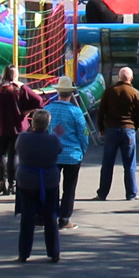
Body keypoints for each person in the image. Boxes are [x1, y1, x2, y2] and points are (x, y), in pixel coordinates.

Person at [0, 66, 43, 196]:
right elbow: (39, 101)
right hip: (17, 127)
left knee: (0, 155)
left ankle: (1, 183)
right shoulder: (18, 89)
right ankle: (12, 183)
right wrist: (26, 111)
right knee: (14, 155)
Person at [14, 111, 63, 262]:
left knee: (27, 218)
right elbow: (59, 150)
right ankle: (54, 252)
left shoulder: (23, 138)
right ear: (47, 124)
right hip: (49, 180)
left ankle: (24, 253)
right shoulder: (53, 139)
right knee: (50, 217)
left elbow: (17, 150)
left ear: (33, 122)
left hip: (27, 180)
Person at [43, 80, 90, 230]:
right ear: (71, 93)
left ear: (58, 92)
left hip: (52, 154)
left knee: (52, 187)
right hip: (72, 154)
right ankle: (64, 218)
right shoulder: (76, 112)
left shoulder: (47, 109)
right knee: (69, 189)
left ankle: (49, 215)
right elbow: (83, 133)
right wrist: (83, 149)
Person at [94, 66, 139, 201]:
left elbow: (101, 112)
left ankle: (102, 192)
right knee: (129, 163)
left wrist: (101, 128)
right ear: (131, 79)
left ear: (118, 77)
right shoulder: (135, 93)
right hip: (128, 130)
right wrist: (136, 127)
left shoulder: (109, 92)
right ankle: (131, 193)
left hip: (111, 129)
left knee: (107, 162)